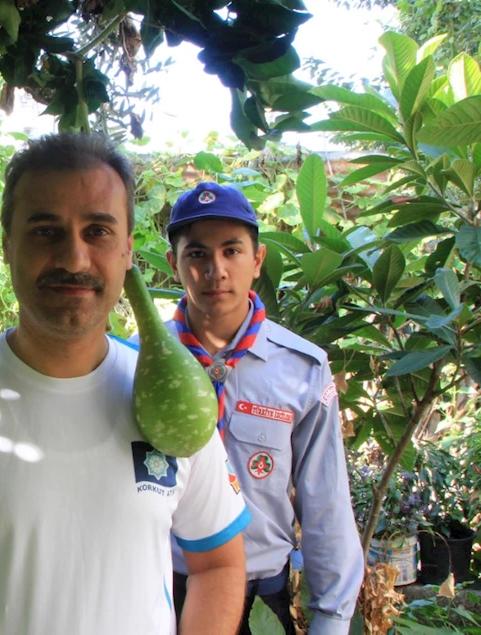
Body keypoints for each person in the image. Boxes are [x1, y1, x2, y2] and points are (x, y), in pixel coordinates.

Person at [0, 134, 251, 635]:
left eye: (98, 231)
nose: (74, 259)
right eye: (45, 231)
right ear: (7, 244)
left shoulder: (177, 404)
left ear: (128, 250)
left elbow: (219, 562)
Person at [132, 182, 363, 634]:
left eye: (232, 251)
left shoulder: (302, 369)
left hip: (261, 598)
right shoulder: (131, 362)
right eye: (196, 254)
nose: (215, 270)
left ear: (257, 261)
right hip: (156, 593)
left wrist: (332, 619)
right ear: (172, 265)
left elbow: (325, 500)